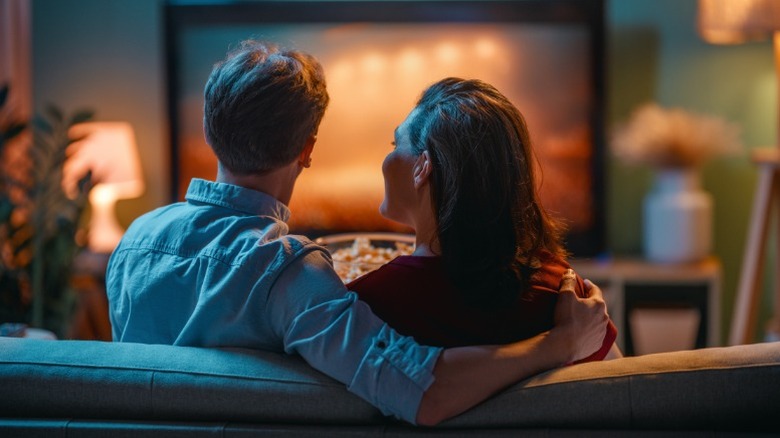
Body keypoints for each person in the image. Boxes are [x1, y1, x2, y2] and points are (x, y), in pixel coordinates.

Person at [106, 40, 610, 426]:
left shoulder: (134, 242)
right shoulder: (291, 275)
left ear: (210, 130)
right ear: (308, 148)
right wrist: (558, 343)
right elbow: (421, 391)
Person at [348, 77, 621, 361]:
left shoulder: (368, 303)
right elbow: (620, 385)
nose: (388, 156)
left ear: (422, 167)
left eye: (395, 144)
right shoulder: (564, 295)